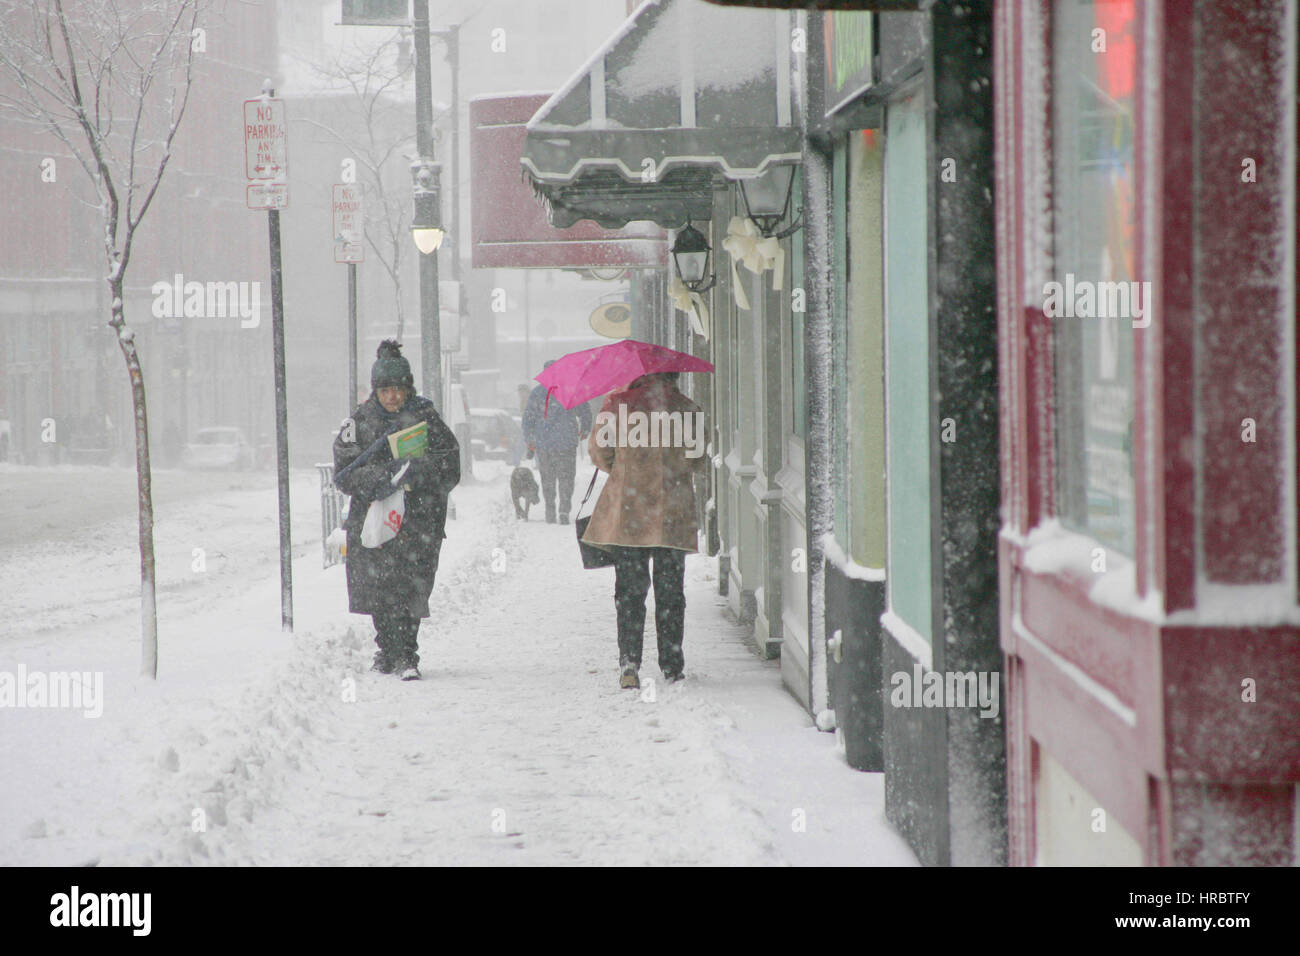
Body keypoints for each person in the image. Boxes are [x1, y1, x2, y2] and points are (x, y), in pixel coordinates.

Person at [333, 340, 460, 680]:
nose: (391, 396)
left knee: (410, 588)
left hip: (418, 520)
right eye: (385, 390)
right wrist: (387, 477)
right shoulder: (357, 424)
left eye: (397, 389)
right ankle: (386, 649)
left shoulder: (426, 418)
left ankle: (407, 652)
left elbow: (450, 465)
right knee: (379, 589)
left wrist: (417, 472)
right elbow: (345, 474)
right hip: (374, 523)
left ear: (408, 388)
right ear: (376, 391)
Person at [581, 371, 708, 689]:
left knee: (629, 593)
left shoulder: (617, 406)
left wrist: (626, 470)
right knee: (670, 594)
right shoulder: (686, 408)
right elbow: (697, 457)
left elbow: (598, 452)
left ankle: (629, 662)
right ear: (673, 375)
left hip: (629, 514)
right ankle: (672, 664)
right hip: (671, 514)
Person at [522, 360, 592, 524]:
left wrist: (530, 439)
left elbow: (528, 419)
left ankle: (550, 510)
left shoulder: (537, 393)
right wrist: (585, 429)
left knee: (548, 479)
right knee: (566, 479)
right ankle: (563, 510)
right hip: (566, 443)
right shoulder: (571, 391)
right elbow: (585, 412)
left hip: (544, 444)